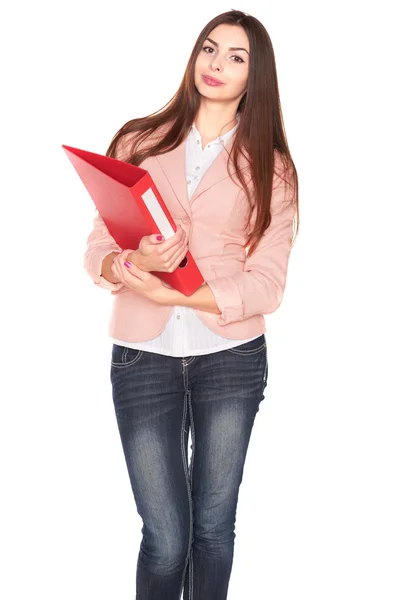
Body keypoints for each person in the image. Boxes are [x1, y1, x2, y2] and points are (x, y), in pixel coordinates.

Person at [83, 9, 299, 600]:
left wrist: (184, 290)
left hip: (229, 356)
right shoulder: (139, 140)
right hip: (141, 357)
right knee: (165, 537)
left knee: (212, 529)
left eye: (236, 57)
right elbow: (99, 248)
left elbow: (267, 284)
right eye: (210, 48)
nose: (216, 64)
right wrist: (136, 266)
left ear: (256, 78)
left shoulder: (273, 169)